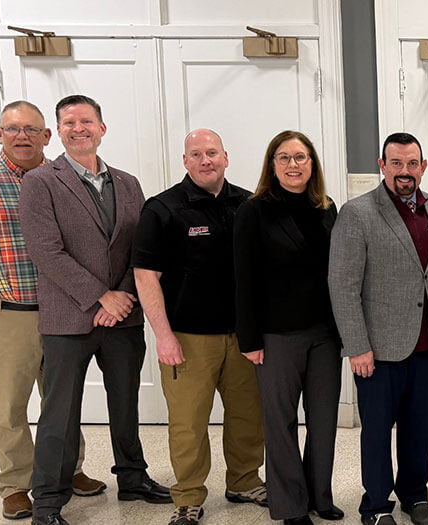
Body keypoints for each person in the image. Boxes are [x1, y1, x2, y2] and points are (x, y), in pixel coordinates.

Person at [0, 100, 105, 521]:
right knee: (9, 405)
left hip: (64, 310)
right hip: (7, 314)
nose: (22, 136)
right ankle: (14, 483)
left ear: (47, 136)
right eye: (12, 129)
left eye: (31, 129)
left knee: (62, 400)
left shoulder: (63, 178)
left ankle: (69, 469)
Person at [21, 94, 172, 525]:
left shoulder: (128, 183)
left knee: (125, 403)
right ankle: (48, 501)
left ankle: (132, 477)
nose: (79, 128)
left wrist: (122, 294)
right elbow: (45, 251)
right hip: (68, 319)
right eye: (69, 122)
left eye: (86, 121)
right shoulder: (40, 181)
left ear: (102, 129)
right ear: (58, 132)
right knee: (59, 414)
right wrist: (99, 296)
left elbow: (140, 249)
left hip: (123, 316)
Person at [132, 129, 267, 525]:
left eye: (212, 152)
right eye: (197, 154)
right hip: (188, 339)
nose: (206, 160)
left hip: (244, 337)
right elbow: (145, 276)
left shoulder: (250, 205)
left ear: (226, 156)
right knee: (188, 423)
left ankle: (244, 481)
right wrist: (163, 336)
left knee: (247, 415)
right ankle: (188, 496)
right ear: (185, 161)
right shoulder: (162, 209)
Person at [329, 132, 428, 525]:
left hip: (427, 343)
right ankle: (375, 505)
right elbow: (343, 285)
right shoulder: (357, 213)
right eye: (397, 164)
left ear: (423, 166)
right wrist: (356, 345)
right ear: (382, 166)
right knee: (376, 432)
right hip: (378, 348)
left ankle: (415, 495)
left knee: (420, 427)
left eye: (413, 164)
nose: (406, 172)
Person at [234, 130, 343, 525]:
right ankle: (290, 506)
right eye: (284, 157)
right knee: (280, 423)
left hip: (325, 335)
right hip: (275, 334)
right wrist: (249, 338)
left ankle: (319, 497)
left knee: (324, 419)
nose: (293, 164)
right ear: (272, 164)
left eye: (300, 157)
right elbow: (242, 279)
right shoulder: (253, 211)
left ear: (312, 164)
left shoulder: (327, 208)